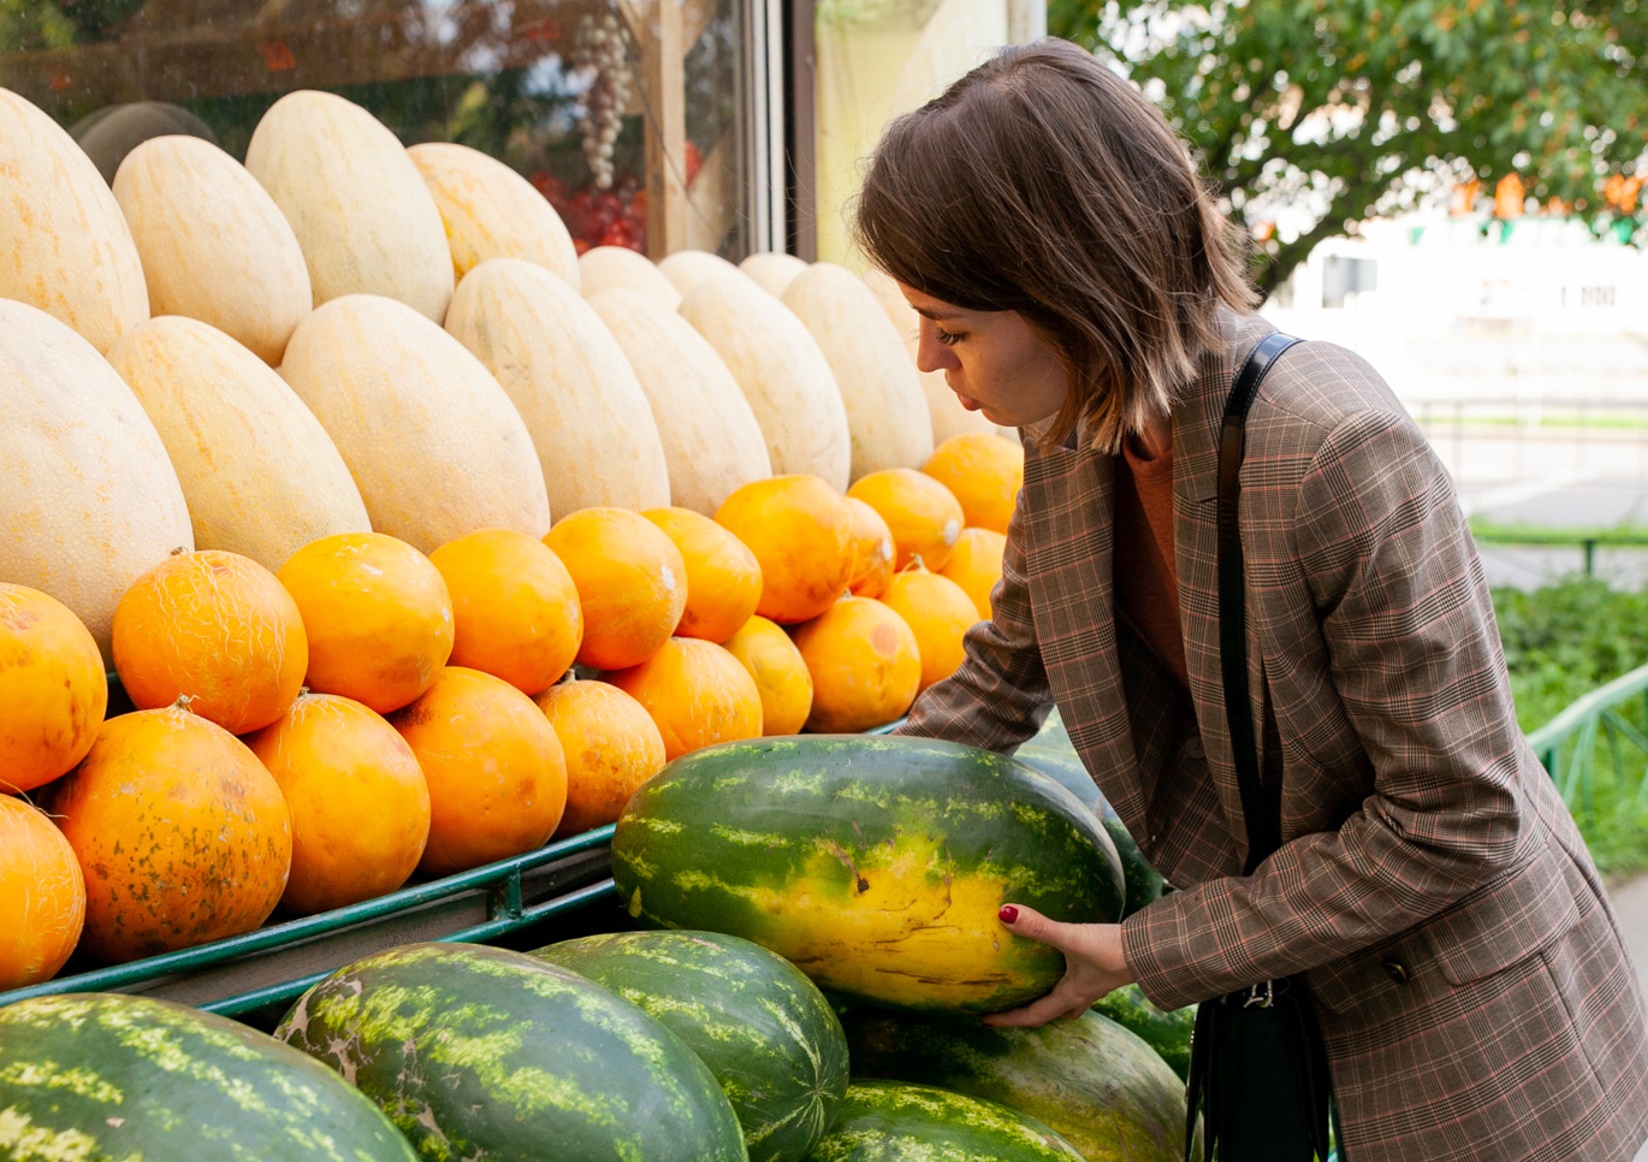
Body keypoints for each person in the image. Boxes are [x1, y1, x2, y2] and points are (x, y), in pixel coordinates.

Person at [867, 37, 1648, 1162]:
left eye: (954, 328)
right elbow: (998, 682)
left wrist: (1149, 948)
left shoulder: (1338, 446)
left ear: (1071, 290)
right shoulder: (1073, 434)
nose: (930, 364)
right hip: (1288, 1004)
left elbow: (1454, 817)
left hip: (1468, 1033)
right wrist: (818, 801)